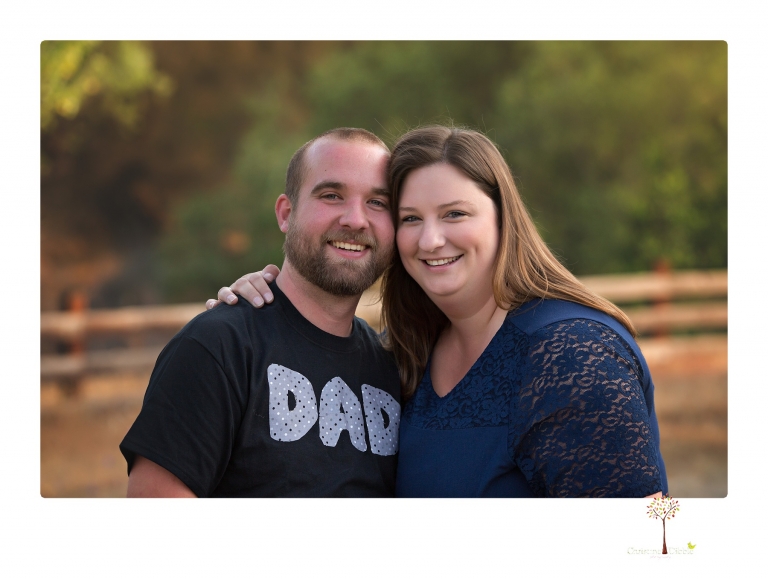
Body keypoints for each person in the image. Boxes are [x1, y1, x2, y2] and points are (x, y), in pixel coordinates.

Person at [211, 125, 668, 498]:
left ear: (502, 218)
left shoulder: (570, 353)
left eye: (454, 214)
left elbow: (642, 546)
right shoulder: (408, 354)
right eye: (410, 218)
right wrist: (256, 312)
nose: (430, 240)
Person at [119, 127, 402, 497]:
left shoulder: (396, 367)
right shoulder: (217, 348)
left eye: (377, 203)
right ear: (286, 214)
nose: (355, 219)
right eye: (332, 195)